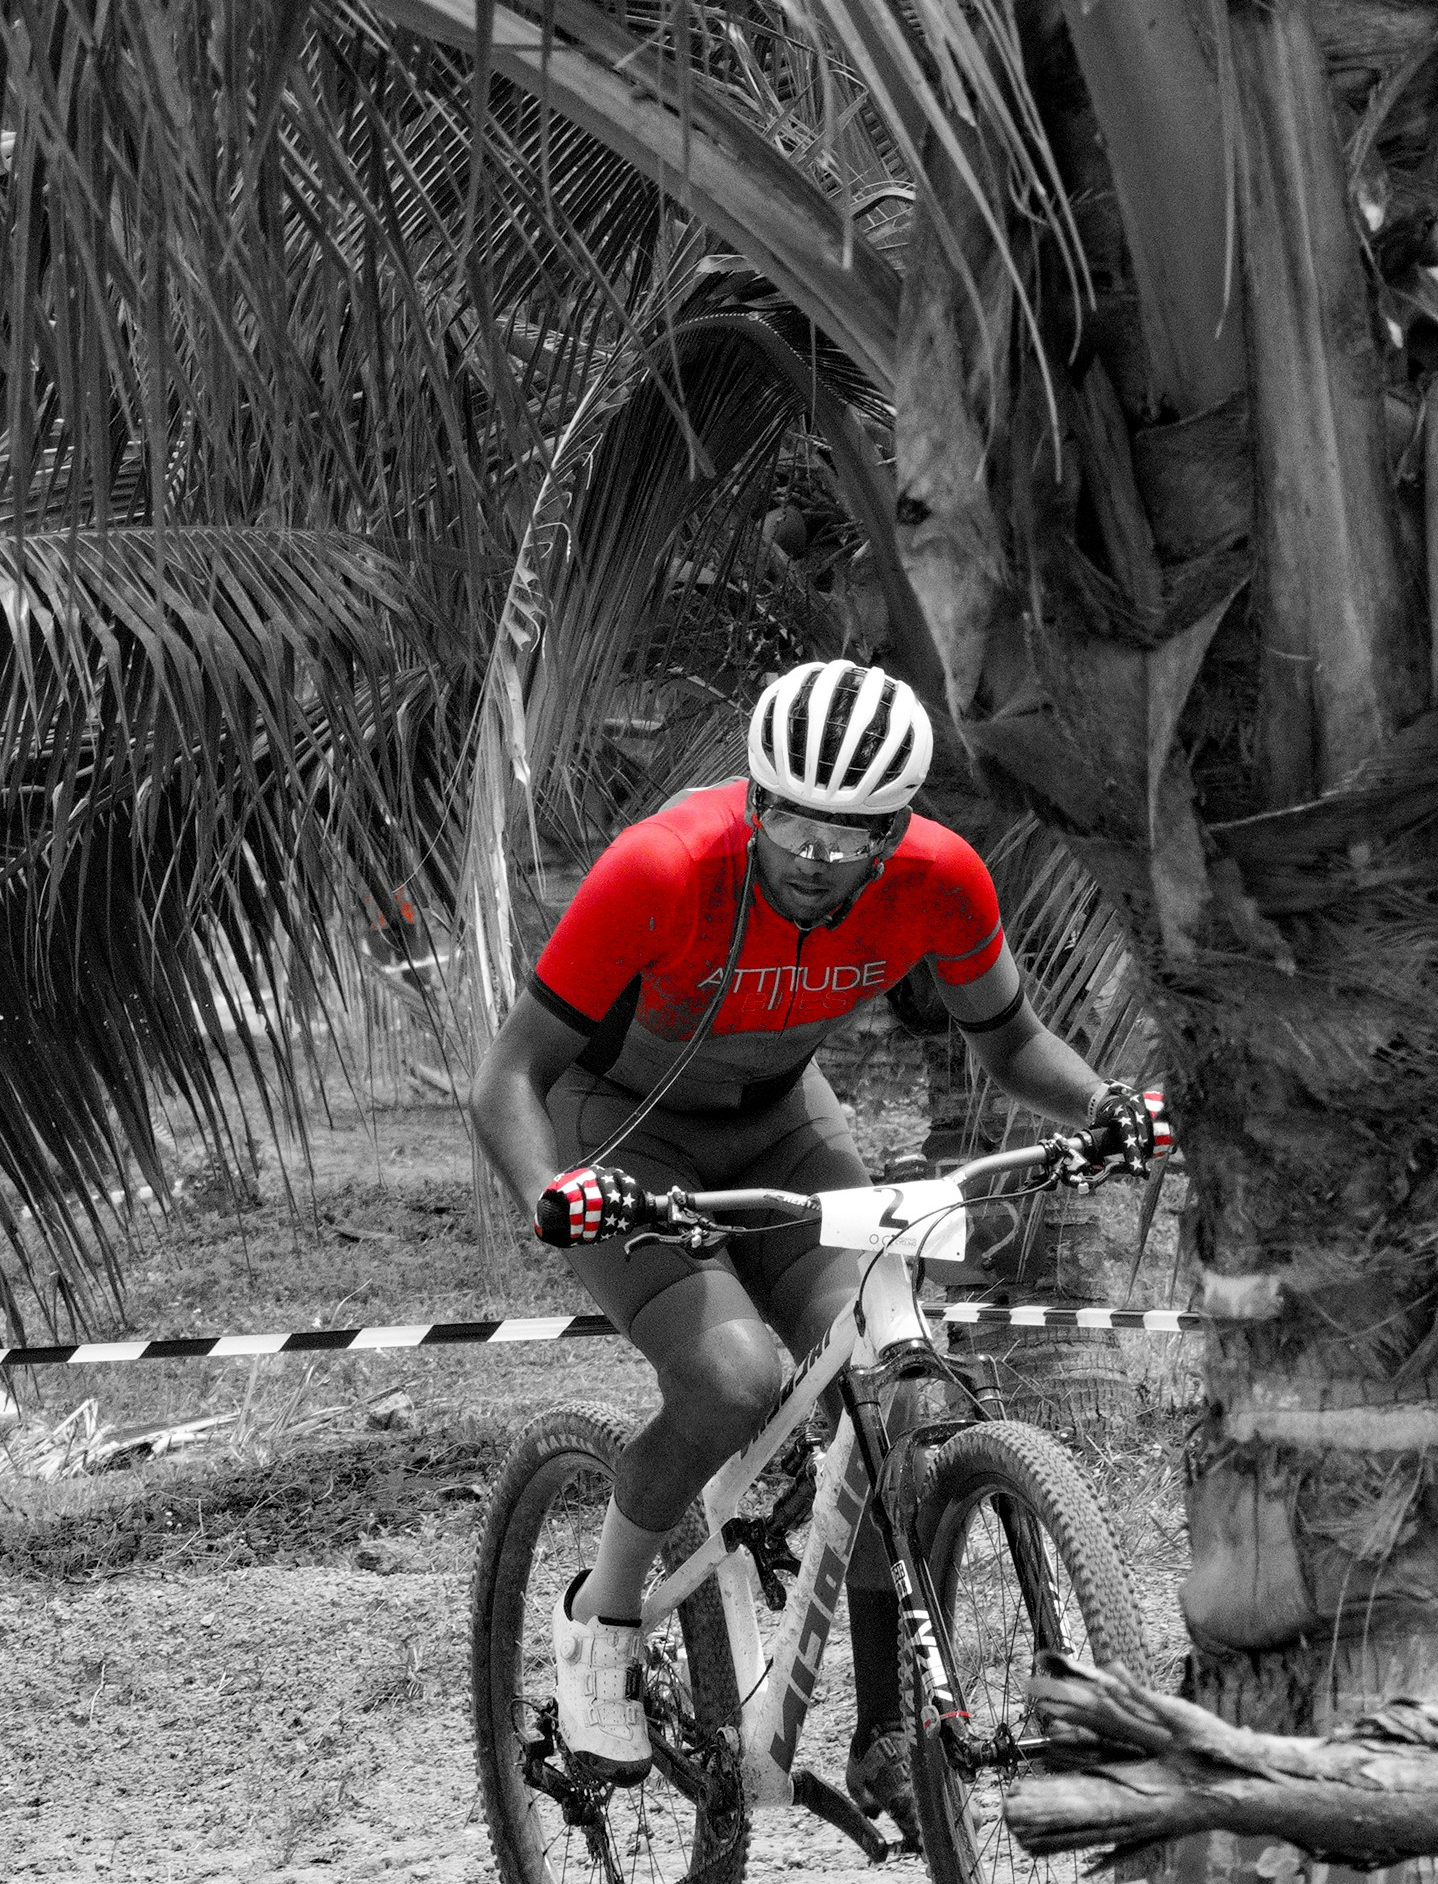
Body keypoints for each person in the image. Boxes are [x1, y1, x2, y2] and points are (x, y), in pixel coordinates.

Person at [466, 658, 1166, 1776]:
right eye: (791, 826)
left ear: (897, 829)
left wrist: (1106, 1106)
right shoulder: (659, 870)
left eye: (849, 839)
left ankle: (888, 1728)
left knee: (899, 1379)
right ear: (753, 798)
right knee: (733, 1382)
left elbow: (1013, 1040)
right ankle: (601, 1619)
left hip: (785, 1120)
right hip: (622, 1133)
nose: (814, 859)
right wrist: (555, 1194)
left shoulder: (944, 880)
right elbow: (508, 1076)